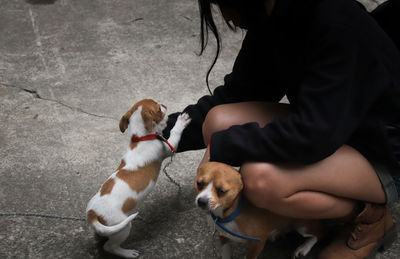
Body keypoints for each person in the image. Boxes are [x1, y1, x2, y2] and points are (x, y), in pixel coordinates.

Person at [163, 0, 400, 258]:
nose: (227, 16)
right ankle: (308, 201)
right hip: (331, 126)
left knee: (260, 179)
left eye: (226, 2)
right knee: (218, 121)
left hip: (382, 150)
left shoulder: (336, 21)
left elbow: (312, 135)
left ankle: (370, 218)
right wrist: (158, 137)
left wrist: (229, 144)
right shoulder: (272, 15)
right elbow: (240, 92)